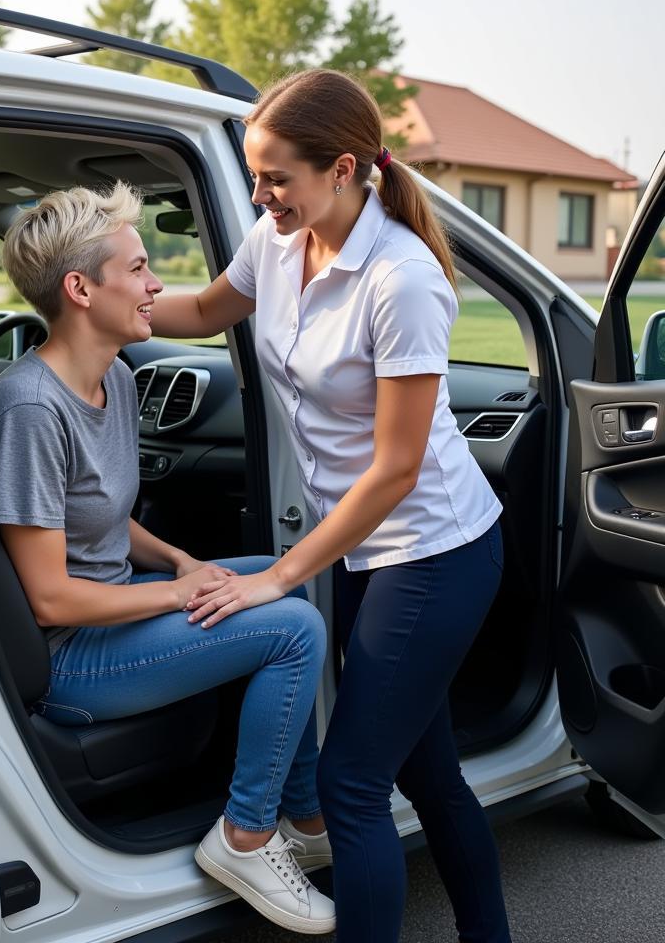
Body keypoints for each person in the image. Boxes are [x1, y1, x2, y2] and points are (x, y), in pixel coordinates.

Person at [150, 69, 511, 943]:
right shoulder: (278, 240)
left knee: (352, 783)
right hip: (363, 553)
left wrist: (279, 577)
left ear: (343, 169)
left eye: (278, 177)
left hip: (433, 551)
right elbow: (202, 308)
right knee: (427, 775)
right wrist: (95, 301)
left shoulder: (403, 278)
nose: (260, 193)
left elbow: (394, 469)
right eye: (254, 173)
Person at [0, 183, 337, 935]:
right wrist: (177, 595)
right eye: (137, 269)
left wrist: (184, 562)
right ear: (80, 288)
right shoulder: (29, 411)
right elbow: (52, 601)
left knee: (283, 572)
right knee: (290, 627)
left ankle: (305, 817)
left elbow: (105, 519)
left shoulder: (116, 378)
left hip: (118, 608)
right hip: (70, 658)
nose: (156, 285)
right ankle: (248, 836)